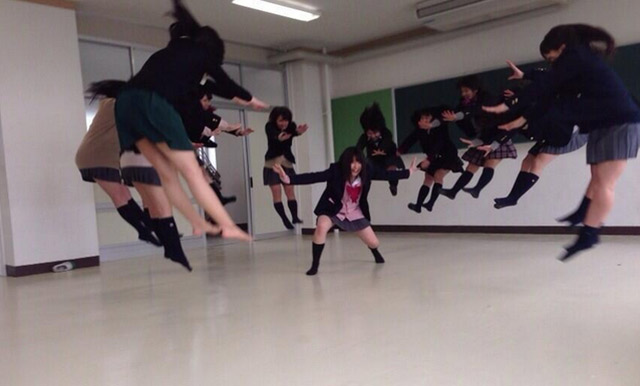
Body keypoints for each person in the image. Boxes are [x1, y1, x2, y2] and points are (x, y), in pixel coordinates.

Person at [484, 24, 640, 260]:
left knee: (605, 183)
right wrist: (525, 87)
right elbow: (552, 83)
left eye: (550, 56)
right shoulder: (577, 64)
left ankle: (590, 234)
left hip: (621, 122)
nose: (551, 62)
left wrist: (510, 104)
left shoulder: (576, 55)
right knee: (597, 177)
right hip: (602, 123)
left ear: (562, 47)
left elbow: (549, 82)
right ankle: (582, 212)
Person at [273, 147, 417, 275]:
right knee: (321, 227)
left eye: (358, 162)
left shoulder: (368, 170)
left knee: (374, 242)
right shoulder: (336, 170)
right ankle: (314, 266)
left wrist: (408, 172)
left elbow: (387, 175)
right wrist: (287, 178)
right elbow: (313, 177)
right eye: (352, 162)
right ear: (345, 162)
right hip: (333, 209)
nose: (355, 166)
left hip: (355, 211)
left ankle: (374, 251)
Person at [398, 106, 463, 213]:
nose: (426, 120)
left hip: (448, 154)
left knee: (438, 175)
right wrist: (399, 151)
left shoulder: (440, 128)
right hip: (435, 156)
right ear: (418, 121)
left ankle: (430, 203)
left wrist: (428, 160)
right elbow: (409, 140)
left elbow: (439, 145)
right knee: (428, 177)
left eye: (428, 117)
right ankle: (418, 206)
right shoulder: (419, 131)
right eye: (423, 118)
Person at [263, 106, 308, 229]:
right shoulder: (270, 126)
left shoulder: (291, 126)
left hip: (286, 162)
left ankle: (295, 217)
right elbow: (274, 135)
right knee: (277, 193)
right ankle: (284, 219)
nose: (284, 123)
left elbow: (294, 133)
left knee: (290, 191)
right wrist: (280, 137)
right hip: (272, 163)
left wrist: (298, 132)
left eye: (286, 120)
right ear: (275, 120)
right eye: (281, 120)